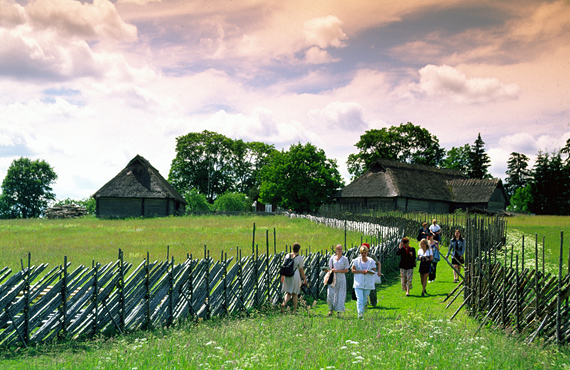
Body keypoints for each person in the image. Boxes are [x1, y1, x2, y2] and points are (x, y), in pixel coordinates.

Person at [351, 245, 377, 319]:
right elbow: (353, 270)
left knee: (365, 300)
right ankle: (360, 314)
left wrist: (368, 271)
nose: (363, 254)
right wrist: (361, 271)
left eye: (365, 253)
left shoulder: (371, 261)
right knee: (360, 298)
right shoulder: (356, 261)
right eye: (362, 253)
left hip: (368, 283)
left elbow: (374, 271)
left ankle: (362, 311)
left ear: (367, 253)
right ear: (360, 253)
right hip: (358, 282)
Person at [281, 242, 308, 313]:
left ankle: (284, 303)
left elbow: (284, 266)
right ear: (299, 249)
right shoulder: (299, 258)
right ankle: (294, 310)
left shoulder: (287, 255)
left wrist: (282, 276)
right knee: (295, 293)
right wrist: (304, 278)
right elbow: (301, 269)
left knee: (288, 292)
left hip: (287, 275)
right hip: (294, 275)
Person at [325, 244, 350, 317]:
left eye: (341, 249)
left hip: (341, 279)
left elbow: (346, 270)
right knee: (330, 294)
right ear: (336, 250)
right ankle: (330, 309)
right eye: (338, 249)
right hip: (333, 278)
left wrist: (338, 271)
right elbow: (330, 268)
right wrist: (329, 270)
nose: (340, 250)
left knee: (340, 295)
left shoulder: (345, 259)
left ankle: (339, 311)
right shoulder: (332, 258)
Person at [361, 243, 381, 307]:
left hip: (370, 275)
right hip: (363, 275)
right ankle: (365, 303)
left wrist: (379, 271)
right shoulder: (359, 256)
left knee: (372, 289)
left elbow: (378, 263)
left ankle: (373, 302)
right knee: (363, 288)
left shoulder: (372, 256)